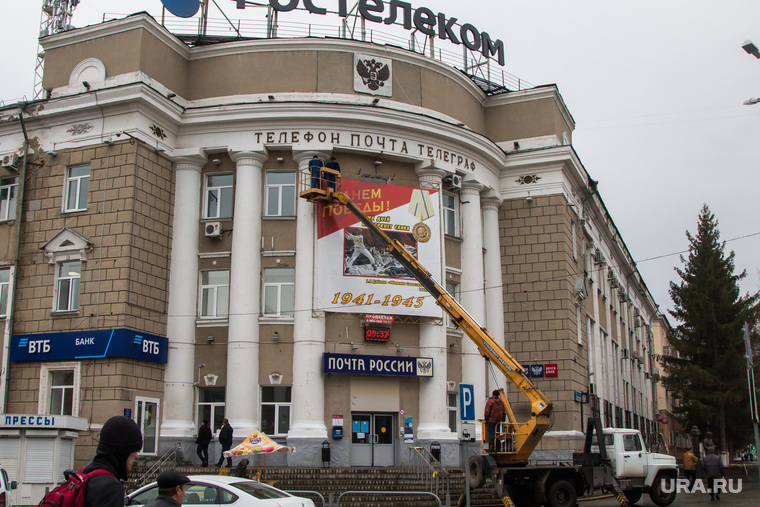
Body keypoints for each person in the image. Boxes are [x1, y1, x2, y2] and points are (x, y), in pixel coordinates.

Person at [82, 415, 143, 507]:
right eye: (134, 451)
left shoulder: (86, 473)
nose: (136, 456)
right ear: (123, 452)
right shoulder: (110, 488)